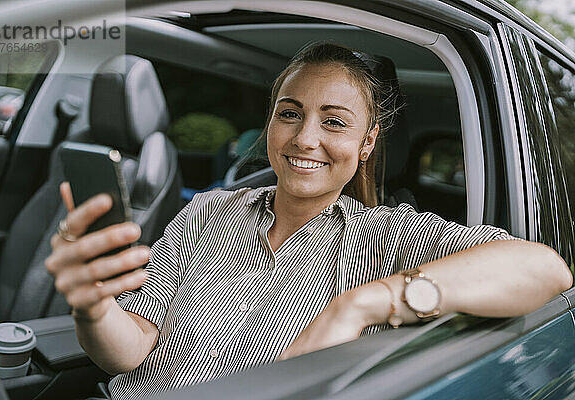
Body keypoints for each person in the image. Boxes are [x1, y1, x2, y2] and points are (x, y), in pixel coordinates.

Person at [45, 43, 572, 400]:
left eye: (335, 122)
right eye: (289, 113)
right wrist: (92, 307)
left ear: (365, 145)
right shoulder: (208, 212)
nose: (304, 138)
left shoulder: (389, 236)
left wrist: (367, 301)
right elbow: (135, 347)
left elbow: (544, 269)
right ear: (270, 122)